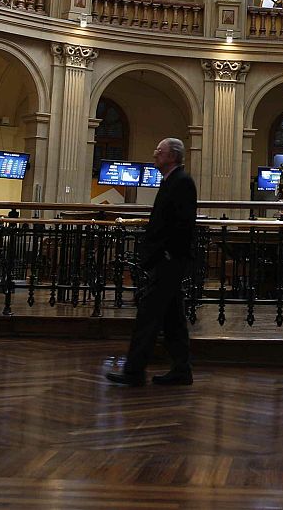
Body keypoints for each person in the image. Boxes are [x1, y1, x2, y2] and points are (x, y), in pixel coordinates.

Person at [106, 137, 197, 387]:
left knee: (147, 317)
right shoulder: (172, 181)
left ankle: (134, 372)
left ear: (172, 156)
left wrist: (167, 254)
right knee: (173, 319)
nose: (155, 154)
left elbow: (183, 224)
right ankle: (182, 369)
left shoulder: (182, 182)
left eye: (160, 151)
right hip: (168, 260)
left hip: (170, 261)